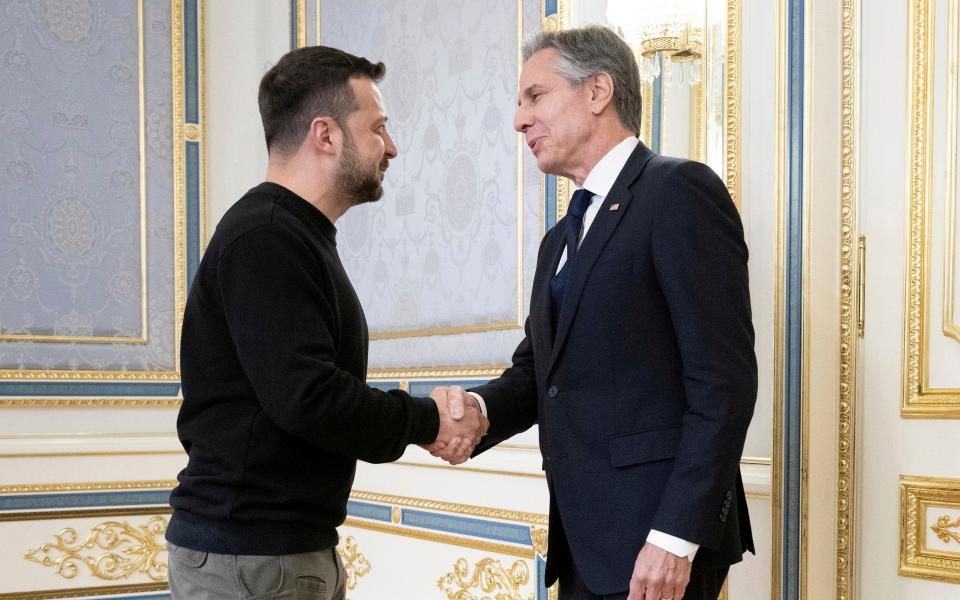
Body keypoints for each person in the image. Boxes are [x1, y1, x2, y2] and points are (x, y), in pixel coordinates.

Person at [432, 26, 757, 600]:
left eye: (535, 96)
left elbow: (724, 384)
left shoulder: (677, 191)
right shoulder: (557, 241)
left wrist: (676, 536)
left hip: (656, 546)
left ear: (598, 90)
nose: (519, 120)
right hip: (583, 544)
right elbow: (539, 376)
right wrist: (476, 409)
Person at [165, 46, 486, 600]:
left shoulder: (290, 234)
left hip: (273, 553)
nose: (391, 147)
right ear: (326, 134)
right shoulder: (265, 237)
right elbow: (307, 398)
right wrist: (427, 419)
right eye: (378, 128)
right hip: (252, 559)